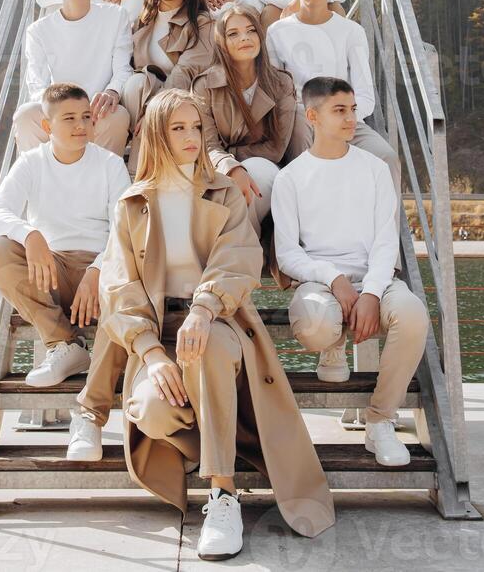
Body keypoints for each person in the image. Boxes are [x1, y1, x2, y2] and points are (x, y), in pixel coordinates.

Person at [98, 89, 335, 561]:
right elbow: (117, 284)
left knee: (204, 350)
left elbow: (240, 259)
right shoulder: (131, 203)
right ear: (156, 135)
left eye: (195, 127)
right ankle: (220, 436)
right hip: (158, 330)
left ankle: (223, 494)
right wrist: (149, 352)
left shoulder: (223, 191)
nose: (191, 137)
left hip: (219, 320)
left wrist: (203, 310)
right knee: (150, 409)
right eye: (178, 128)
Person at [271, 77, 429, 467]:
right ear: (312, 116)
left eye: (353, 110)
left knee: (412, 316)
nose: (350, 118)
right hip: (319, 283)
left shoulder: (375, 169)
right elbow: (288, 253)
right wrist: (334, 278)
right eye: (339, 110)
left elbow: (384, 239)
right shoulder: (290, 177)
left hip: (374, 277)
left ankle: (380, 422)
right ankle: (331, 346)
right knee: (315, 325)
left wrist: (373, 292)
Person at [0, 83, 131, 462]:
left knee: (124, 293)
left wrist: (98, 270)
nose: (81, 125)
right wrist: (29, 234)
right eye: (69, 118)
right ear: (47, 127)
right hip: (50, 267)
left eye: (86, 117)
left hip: (101, 272)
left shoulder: (110, 165)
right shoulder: (32, 163)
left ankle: (89, 417)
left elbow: (126, 229)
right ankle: (63, 344)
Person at [266, 0, 400, 190]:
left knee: (386, 157)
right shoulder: (277, 32)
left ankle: (386, 228)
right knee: (305, 145)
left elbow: (365, 94)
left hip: (347, 118)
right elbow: (275, 92)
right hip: (302, 118)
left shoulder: (351, 31)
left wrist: (341, 119)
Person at [14, 0, 132, 156]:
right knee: (25, 115)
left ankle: (104, 183)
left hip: (98, 109)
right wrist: (64, 110)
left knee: (119, 115)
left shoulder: (116, 17)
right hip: (59, 109)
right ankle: (36, 180)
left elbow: (123, 69)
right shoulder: (38, 31)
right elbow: (36, 85)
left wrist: (111, 92)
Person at [192, 4, 296, 236]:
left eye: (251, 31)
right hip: (218, 165)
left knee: (252, 176)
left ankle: (241, 251)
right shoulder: (204, 85)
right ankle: (243, 251)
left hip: (266, 165)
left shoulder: (281, 83)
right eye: (233, 34)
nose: (244, 38)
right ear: (222, 42)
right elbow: (208, 144)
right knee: (232, 184)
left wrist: (238, 163)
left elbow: (277, 148)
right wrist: (232, 167)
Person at [121, 0, 215, 173]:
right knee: (135, 83)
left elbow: (187, 70)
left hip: (184, 96)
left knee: (145, 91)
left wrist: (155, 110)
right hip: (144, 98)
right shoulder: (143, 19)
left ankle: (138, 173)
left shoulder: (202, 22)